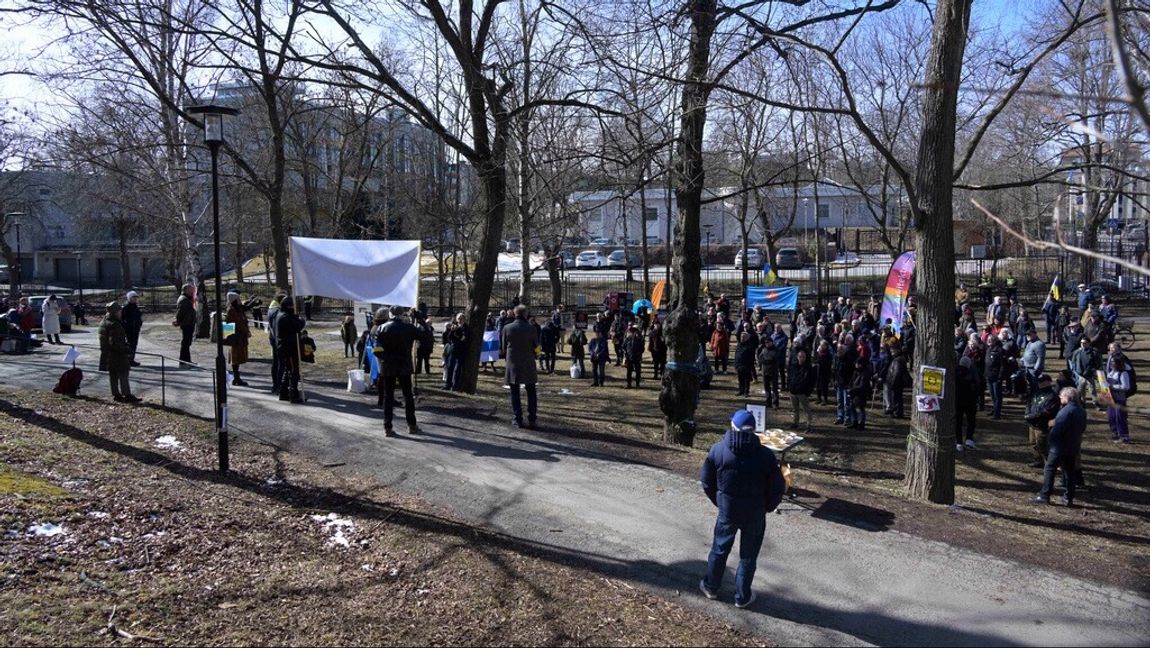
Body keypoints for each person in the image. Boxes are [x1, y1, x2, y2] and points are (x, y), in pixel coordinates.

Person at [698, 410, 786, 609]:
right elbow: (778, 487)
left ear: (733, 427)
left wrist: (720, 502)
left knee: (719, 549)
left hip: (727, 511)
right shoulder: (766, 455)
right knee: (748, 556)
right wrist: (768, 507)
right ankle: (742, 596)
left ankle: (711, 586)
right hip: (755, 513)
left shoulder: (718, 450)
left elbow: (706, 482)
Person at [373, 306, 421, 436]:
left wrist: (387, 358)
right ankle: (412, 425)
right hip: (404, 366)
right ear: (402, 314)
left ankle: (387, 427)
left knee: (388, 397)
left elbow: (376, 350)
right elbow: (425, 336)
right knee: (408, 396)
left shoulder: (381, 328)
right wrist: (420, 319)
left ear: (390, 314)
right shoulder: (409, 327)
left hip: (388, 366)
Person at [1033, 387, 1085, 506]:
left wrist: (1051, 430)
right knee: (1069, 472)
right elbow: (1082, 428)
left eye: (1061, 395)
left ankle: (1045, 495)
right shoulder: (1081, 410)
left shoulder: (1065, 411)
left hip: (1059, 446)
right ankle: (1068, 497)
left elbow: (1058, 429)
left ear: (1068, 397)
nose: (1060, 397)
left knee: (1049, 468)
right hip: (1073, 445)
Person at [502, 305, 539, 429]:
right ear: (525, 314)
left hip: (513, 363)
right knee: (531, 391)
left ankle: (517, 419)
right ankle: (532, 419)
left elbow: (503, 347)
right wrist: (537, 355)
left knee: (514, 392)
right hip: (528, 362)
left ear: (514, 313)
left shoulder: (507, 328)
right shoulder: (531, 328)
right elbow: (537, 346)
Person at [98, 302, 140, 403]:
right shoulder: (115, 324)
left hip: (107, 353)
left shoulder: (104, 321)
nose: (121, 312)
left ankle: (116, 394)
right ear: (115, 312)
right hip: (117, 354)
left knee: (113, 375)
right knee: (123, 373)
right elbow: (114, 343)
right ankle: (127, 395)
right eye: (119, 311)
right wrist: (126, 349)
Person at [1024, 374, 1061, 467]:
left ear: (1048, 382)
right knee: (1033, 443)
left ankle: (1049, 464)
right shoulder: (1036, 393)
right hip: (1032, 423)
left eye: (1042, 381)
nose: (1040, 383)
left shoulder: (1053, 396)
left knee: (1043, 446)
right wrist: (1028, 413)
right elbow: (1029, 403)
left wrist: (1032, 416)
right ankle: (1038, 460)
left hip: (1042, 425)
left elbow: (1048, 411)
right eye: (1039, 381)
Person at [274, 296, 304, 404]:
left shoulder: (284, 315)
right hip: (289, 348)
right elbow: (299, 326)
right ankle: (293, 394)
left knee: (288, 370)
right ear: (288, 306)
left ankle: (283, 393)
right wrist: (300, 319)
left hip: (287, 346)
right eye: (292, 306)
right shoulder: (284, 317)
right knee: (293, 371)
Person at [1104, 344, 1132, 443]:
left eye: (1113, 363)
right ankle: (1115, 434)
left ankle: (1124, 437)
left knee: (1120, 417)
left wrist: (1112, 386)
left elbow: (1126, 386)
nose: (1111, 364)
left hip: (1119, 399)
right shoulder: (1112, 372)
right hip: (1111, 398)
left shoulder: (1123, 373)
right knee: (1111, 417)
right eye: (1111, 362)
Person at [225, 291, 252, 387]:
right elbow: (238, 323)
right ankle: (236, 378)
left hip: (239, 336)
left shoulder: (237, 309)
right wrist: (246, 331)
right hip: (236, 338)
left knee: (238, 357)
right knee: (236, 357)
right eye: (238, 299)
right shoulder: (232, 310)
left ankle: (237, 377)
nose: (240, 300)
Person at [955, 356, 980, 450]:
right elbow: (978, 385)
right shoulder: (972, 374)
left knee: (958, 422)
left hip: (958, 401)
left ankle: (959, 442)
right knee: (971, 421)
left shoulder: (955, 373)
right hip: (970, 401)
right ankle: (969, 439)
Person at [788, 349, 815, 431]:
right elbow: (789, 377)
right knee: (795, 409)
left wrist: (807, 392)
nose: (801, 358)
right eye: (800, 357)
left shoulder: (809, 368)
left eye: (803, 357)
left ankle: (809, 425)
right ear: (797, 357)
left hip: (802, 393)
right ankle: (795, 423)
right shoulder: (793, 366)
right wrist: (789, 387)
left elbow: (811, 381)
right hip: (793, 391)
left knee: (806, 410)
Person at [1068, 336, 1099, 404]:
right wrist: (1076, 372)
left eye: (1084, 343)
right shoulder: (1077, 352)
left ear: (1088, 343)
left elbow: (1097, 363)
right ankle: (1082, 403)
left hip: (1090, 375)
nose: (1082, 344)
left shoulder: (1093, 352)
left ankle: (1096, 403)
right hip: (1080, 375)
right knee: (1080, 390)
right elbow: (1073, 362)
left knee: (1092, 390)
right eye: (1081, 343)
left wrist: (1093, 371)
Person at [442, 313, 469, 391]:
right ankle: (447, 384)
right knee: (450, 367)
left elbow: (463, 338)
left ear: (464, 319)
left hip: (461, 351)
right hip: (453, 350)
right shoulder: (454, 327)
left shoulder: (465, 328)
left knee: (457, 369)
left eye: (461, 318)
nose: (460, 320)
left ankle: (455, 386)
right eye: (459, 318)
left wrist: (455, 332)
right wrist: (452, 331)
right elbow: (449, 337)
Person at [267, 293, 285, 395]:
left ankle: (276, 384)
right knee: (280, 363)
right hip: (277, 339)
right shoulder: (276, 311)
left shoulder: (272, 308)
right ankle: (277, 385)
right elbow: (275, 327)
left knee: (276, 362)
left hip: (273, 338)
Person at [174, 283, 197, 365]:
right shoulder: (184, 299)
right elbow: (180, 312)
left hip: (189, 323)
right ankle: (183, 360)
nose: (192, 291)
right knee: (186, 342)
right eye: (190, 289)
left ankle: (186, 360)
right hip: (186, 323)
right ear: (186, 290)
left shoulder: (188, 298)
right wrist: (178, 321)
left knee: (187, 342)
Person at [984, 336, 1006, 419]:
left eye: (991, 340)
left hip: (996, 377)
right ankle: (994, 409)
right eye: (988, 340)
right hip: (988, 376)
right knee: (992, 395)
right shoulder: (988, 349)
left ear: (995, 341)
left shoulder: (1000, 350)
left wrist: (1000, 377)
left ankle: (997, 414)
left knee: (997, 396)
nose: (989, 341)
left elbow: (1002, 365)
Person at [848, 356, 872, 430]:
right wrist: (850, 388)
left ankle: (861, 424)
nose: (856, 365)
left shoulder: (865, 373)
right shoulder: (856, 371)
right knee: (852, 407)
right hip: (854, 393)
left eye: (857, 364)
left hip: (861, 394)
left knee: (860, 409)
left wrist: (852, 390)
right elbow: (851, 381)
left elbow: (862, 386)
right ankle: (854, 422)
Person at [121, 291, 143, 366]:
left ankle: (131, 359)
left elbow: (138, 317)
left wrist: (139, 324)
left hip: (135, 329)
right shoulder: (126, 308)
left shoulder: (135, 307)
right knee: (130, 345)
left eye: (136, 297)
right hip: (129, 330)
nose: (135, 299)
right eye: (134, 297)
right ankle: (128, 360)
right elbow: (122, 319)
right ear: (129, 298)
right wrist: (126, 327)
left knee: (134, 344)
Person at [734, 331, 757, 396]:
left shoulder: (750, 346)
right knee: (740, 379)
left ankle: (746, 392)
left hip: (746, 365)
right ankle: (741, 390)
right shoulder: (739, 344)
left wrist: (750, 365)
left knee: (746, 380)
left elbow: (752, 357)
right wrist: (736, 364)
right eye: (741, 337)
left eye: (744, 337)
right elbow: (736, 355)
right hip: (739, 365)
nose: (742, 338)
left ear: (747, 338)